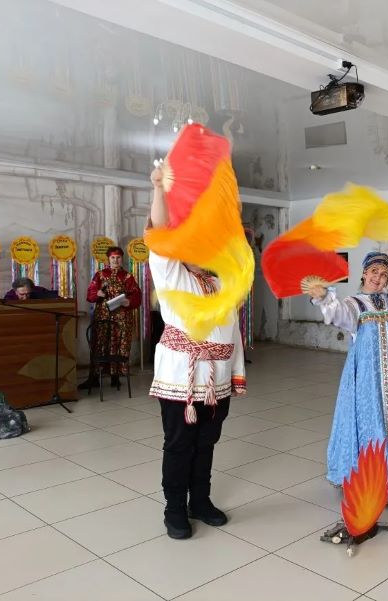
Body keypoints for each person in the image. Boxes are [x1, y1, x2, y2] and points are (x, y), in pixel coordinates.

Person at [148, 166, 247, 540]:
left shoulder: (221, 281)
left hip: (216, 381)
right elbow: (159, 235)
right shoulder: (172, 274)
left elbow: (233, 331)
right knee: (179, 444)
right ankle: (174, 510)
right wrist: (160, 189)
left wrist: (236, 375)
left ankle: (199, 502)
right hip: (181, 380)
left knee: (207, 442)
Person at [308, 251, 388, 503]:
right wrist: (324, 298)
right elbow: (338, 314)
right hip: (366, 377)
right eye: (374, 271)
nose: (378, 277)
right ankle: (375, 480)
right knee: (370, 422)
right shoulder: (355, 304)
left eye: (384, 274)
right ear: (364, 273)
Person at [80, 247, 142, 389]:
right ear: (108, 259)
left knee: (119, 345)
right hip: (103, 316)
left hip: (122, 317)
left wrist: (129, 302)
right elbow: (90, 295)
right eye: (113, 258)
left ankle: (116, 376)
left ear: (122, 259)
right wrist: (98, 294)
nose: (116, 260)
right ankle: (95, 377)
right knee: (100, 343)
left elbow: (136, 295)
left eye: (118, 257)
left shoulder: (128, 276)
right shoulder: (100, 275)